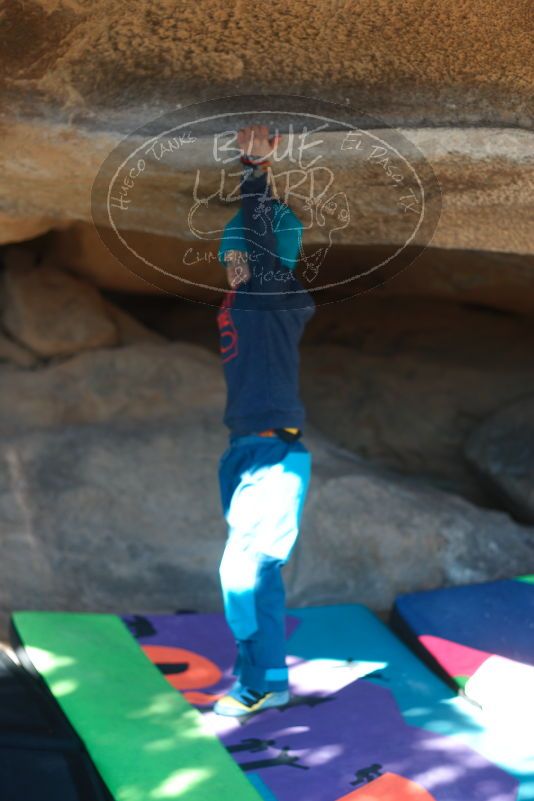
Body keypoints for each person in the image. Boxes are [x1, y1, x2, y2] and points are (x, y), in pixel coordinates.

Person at [213, 124, 316, 717]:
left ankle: (264, 683)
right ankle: (262, 675)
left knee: (245, 572)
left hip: (272, 454)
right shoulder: (249, 294)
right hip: (245, 452)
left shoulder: (270, 287)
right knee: (248, 573)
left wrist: (255, 168)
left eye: (235, 254)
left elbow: (260, 233)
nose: (229, 263)